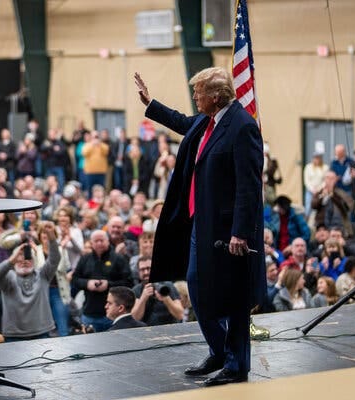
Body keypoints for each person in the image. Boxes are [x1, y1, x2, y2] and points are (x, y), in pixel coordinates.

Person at [135, 67, 264, 386]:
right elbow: (182, 122)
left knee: (234, 299)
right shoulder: (207, 122)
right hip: (200, 225)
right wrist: (151, 104)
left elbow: (249, 186)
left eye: (198, 93)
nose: (194, 98)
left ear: (216, 97)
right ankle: (220, 351)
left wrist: (240, 231)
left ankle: (236, 365)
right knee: (196, 288)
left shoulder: (242, 127)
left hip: (228, 232)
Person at [0, 222, 61, 341]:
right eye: (20, 258)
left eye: (28, 258)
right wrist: (12, 260)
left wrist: (51, 236)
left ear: (34, 261)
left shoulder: (43, 274)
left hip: (41, 332)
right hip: (14, 335)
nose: (24, 261)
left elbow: (55, 259)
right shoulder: (8, 278)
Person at [72, 230, 133, 333]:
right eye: (96, 241)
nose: (99, 243)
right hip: (90, 312)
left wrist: (108, 285)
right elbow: (75, 279)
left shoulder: (118, 259)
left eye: (102, 240)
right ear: (91, 243)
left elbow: (129, 282)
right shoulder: (85, 259)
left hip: (112, 315)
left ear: (108, 241)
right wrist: (87, 284)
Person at [131, 256, 183, 326]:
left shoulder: (168, 285)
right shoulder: (136, 290)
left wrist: (166, 298)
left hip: (169, 328)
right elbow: (134, 318)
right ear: (138, 272)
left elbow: (180, 315)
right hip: (146, 331)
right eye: (142, 269)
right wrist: (143, 299)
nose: (146, 272)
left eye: (148, 268)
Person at [303, 152, 329, 218]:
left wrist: (319, 189)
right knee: (308, 208)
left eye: (318, 158)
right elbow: (306, 180)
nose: (317, 160)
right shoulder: (308, 167)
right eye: (315, 158)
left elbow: (325, 180)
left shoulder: (325, 167)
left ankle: (318, 224)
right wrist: (312, 189)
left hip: (321, 191)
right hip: (310, 191)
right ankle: (305, 223)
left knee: (320, 208)